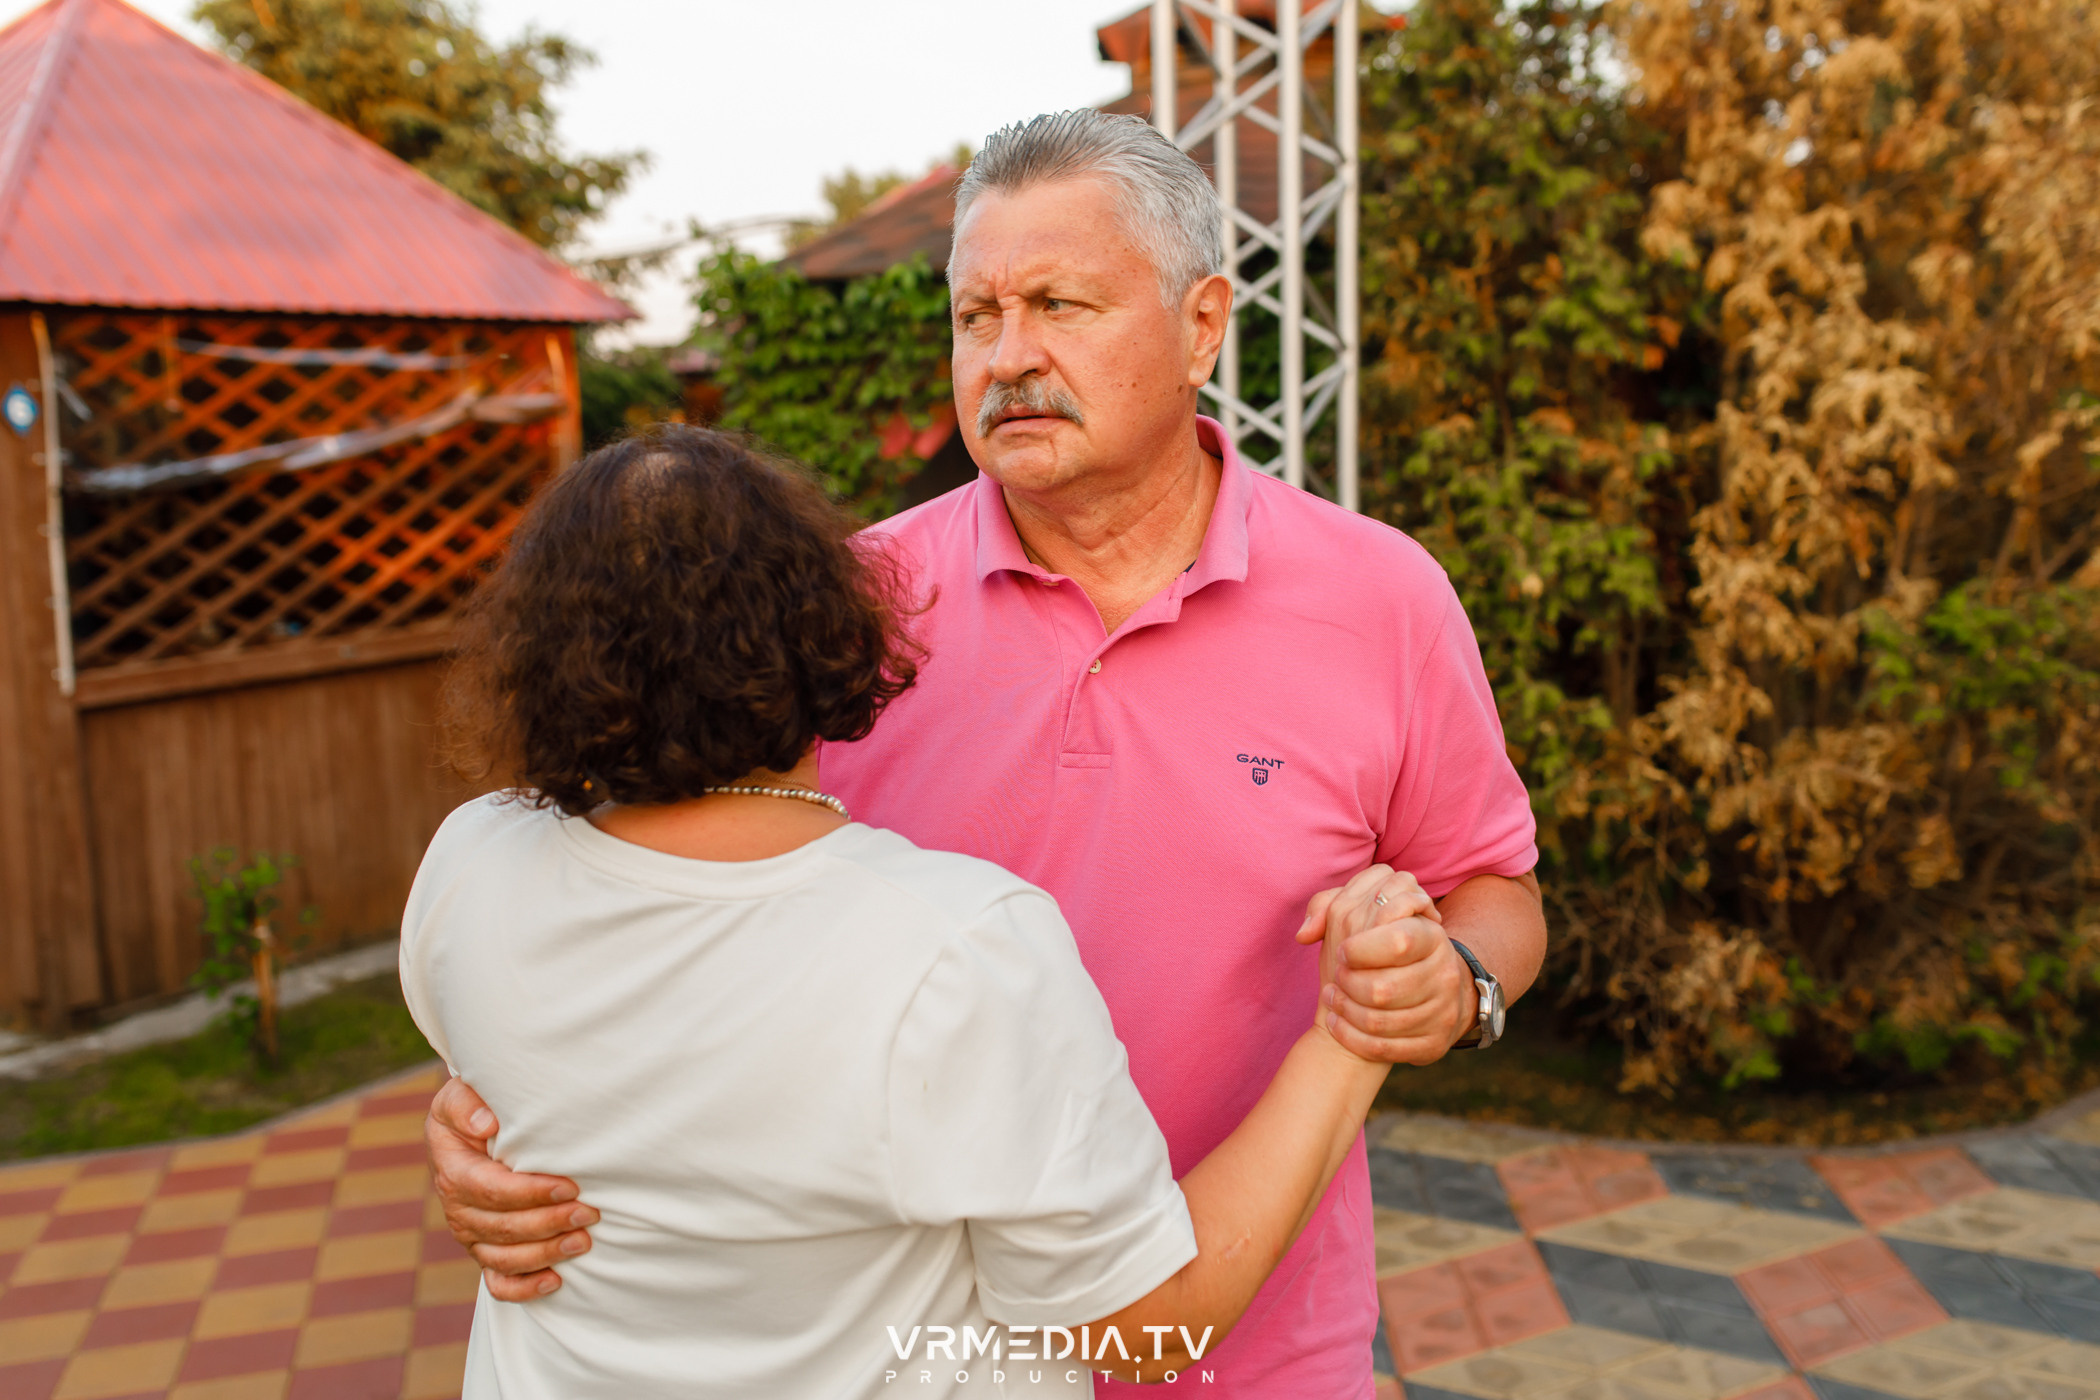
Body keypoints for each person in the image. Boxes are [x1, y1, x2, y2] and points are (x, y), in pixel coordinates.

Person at [428, 111, 1547, 1398]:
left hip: (1269, 1347)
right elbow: (647, 922)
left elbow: (1496, 889)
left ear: (1201, 325)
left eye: (1062, 303)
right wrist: (486, 1118)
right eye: (976, 317)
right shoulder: (841, 615)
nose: (1009, 357)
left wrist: (1456, 984)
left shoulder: (1382, 595)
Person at [404, 425, 1400, 1398]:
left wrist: (466, 1122)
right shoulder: (953, 945)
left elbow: (510, 1080)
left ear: (535, 655)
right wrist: (1350, 1037)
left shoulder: (472, 861)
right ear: (819, 626)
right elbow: (1144, 1329)